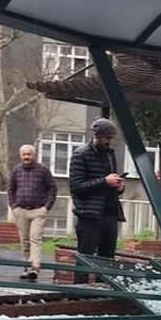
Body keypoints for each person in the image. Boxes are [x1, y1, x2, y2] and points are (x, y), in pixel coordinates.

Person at [68, 118, 125, 283]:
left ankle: (104, 294)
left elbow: (110, 181)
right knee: (85, 258)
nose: (109, 142)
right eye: (106, 138)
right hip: (89, 215)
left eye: (111, 138)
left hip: (109, 212)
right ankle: (78, 295)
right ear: (97, 136)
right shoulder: (80, 154)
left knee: (107, 259)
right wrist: (105, 181)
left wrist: (119, 187)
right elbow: (77, 186)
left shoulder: (109, 154)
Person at [8, 143, 57, 281]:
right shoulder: (16, 170)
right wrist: (13, 206)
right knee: (25, 240)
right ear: (20, 156)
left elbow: (52, 188)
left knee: (35, 237)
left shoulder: (43, 170)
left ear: (34, 155)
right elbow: (11, 189)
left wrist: (46, 207)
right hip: (21, 210)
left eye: (29, 154)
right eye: (24, 154)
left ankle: (34, 266)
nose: (27, 157)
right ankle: (27, 267)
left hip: (38, 210)